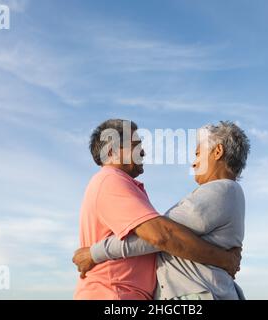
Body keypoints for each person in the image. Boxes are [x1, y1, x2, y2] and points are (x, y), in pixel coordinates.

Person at [73, 119, 242, 300]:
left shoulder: (124, 185)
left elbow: (163, 236)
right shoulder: (110, 180)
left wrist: (94, 253)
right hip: (112, 294)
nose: (143, 152)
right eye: (136, 146)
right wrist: (223, 259)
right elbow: (161, 235)